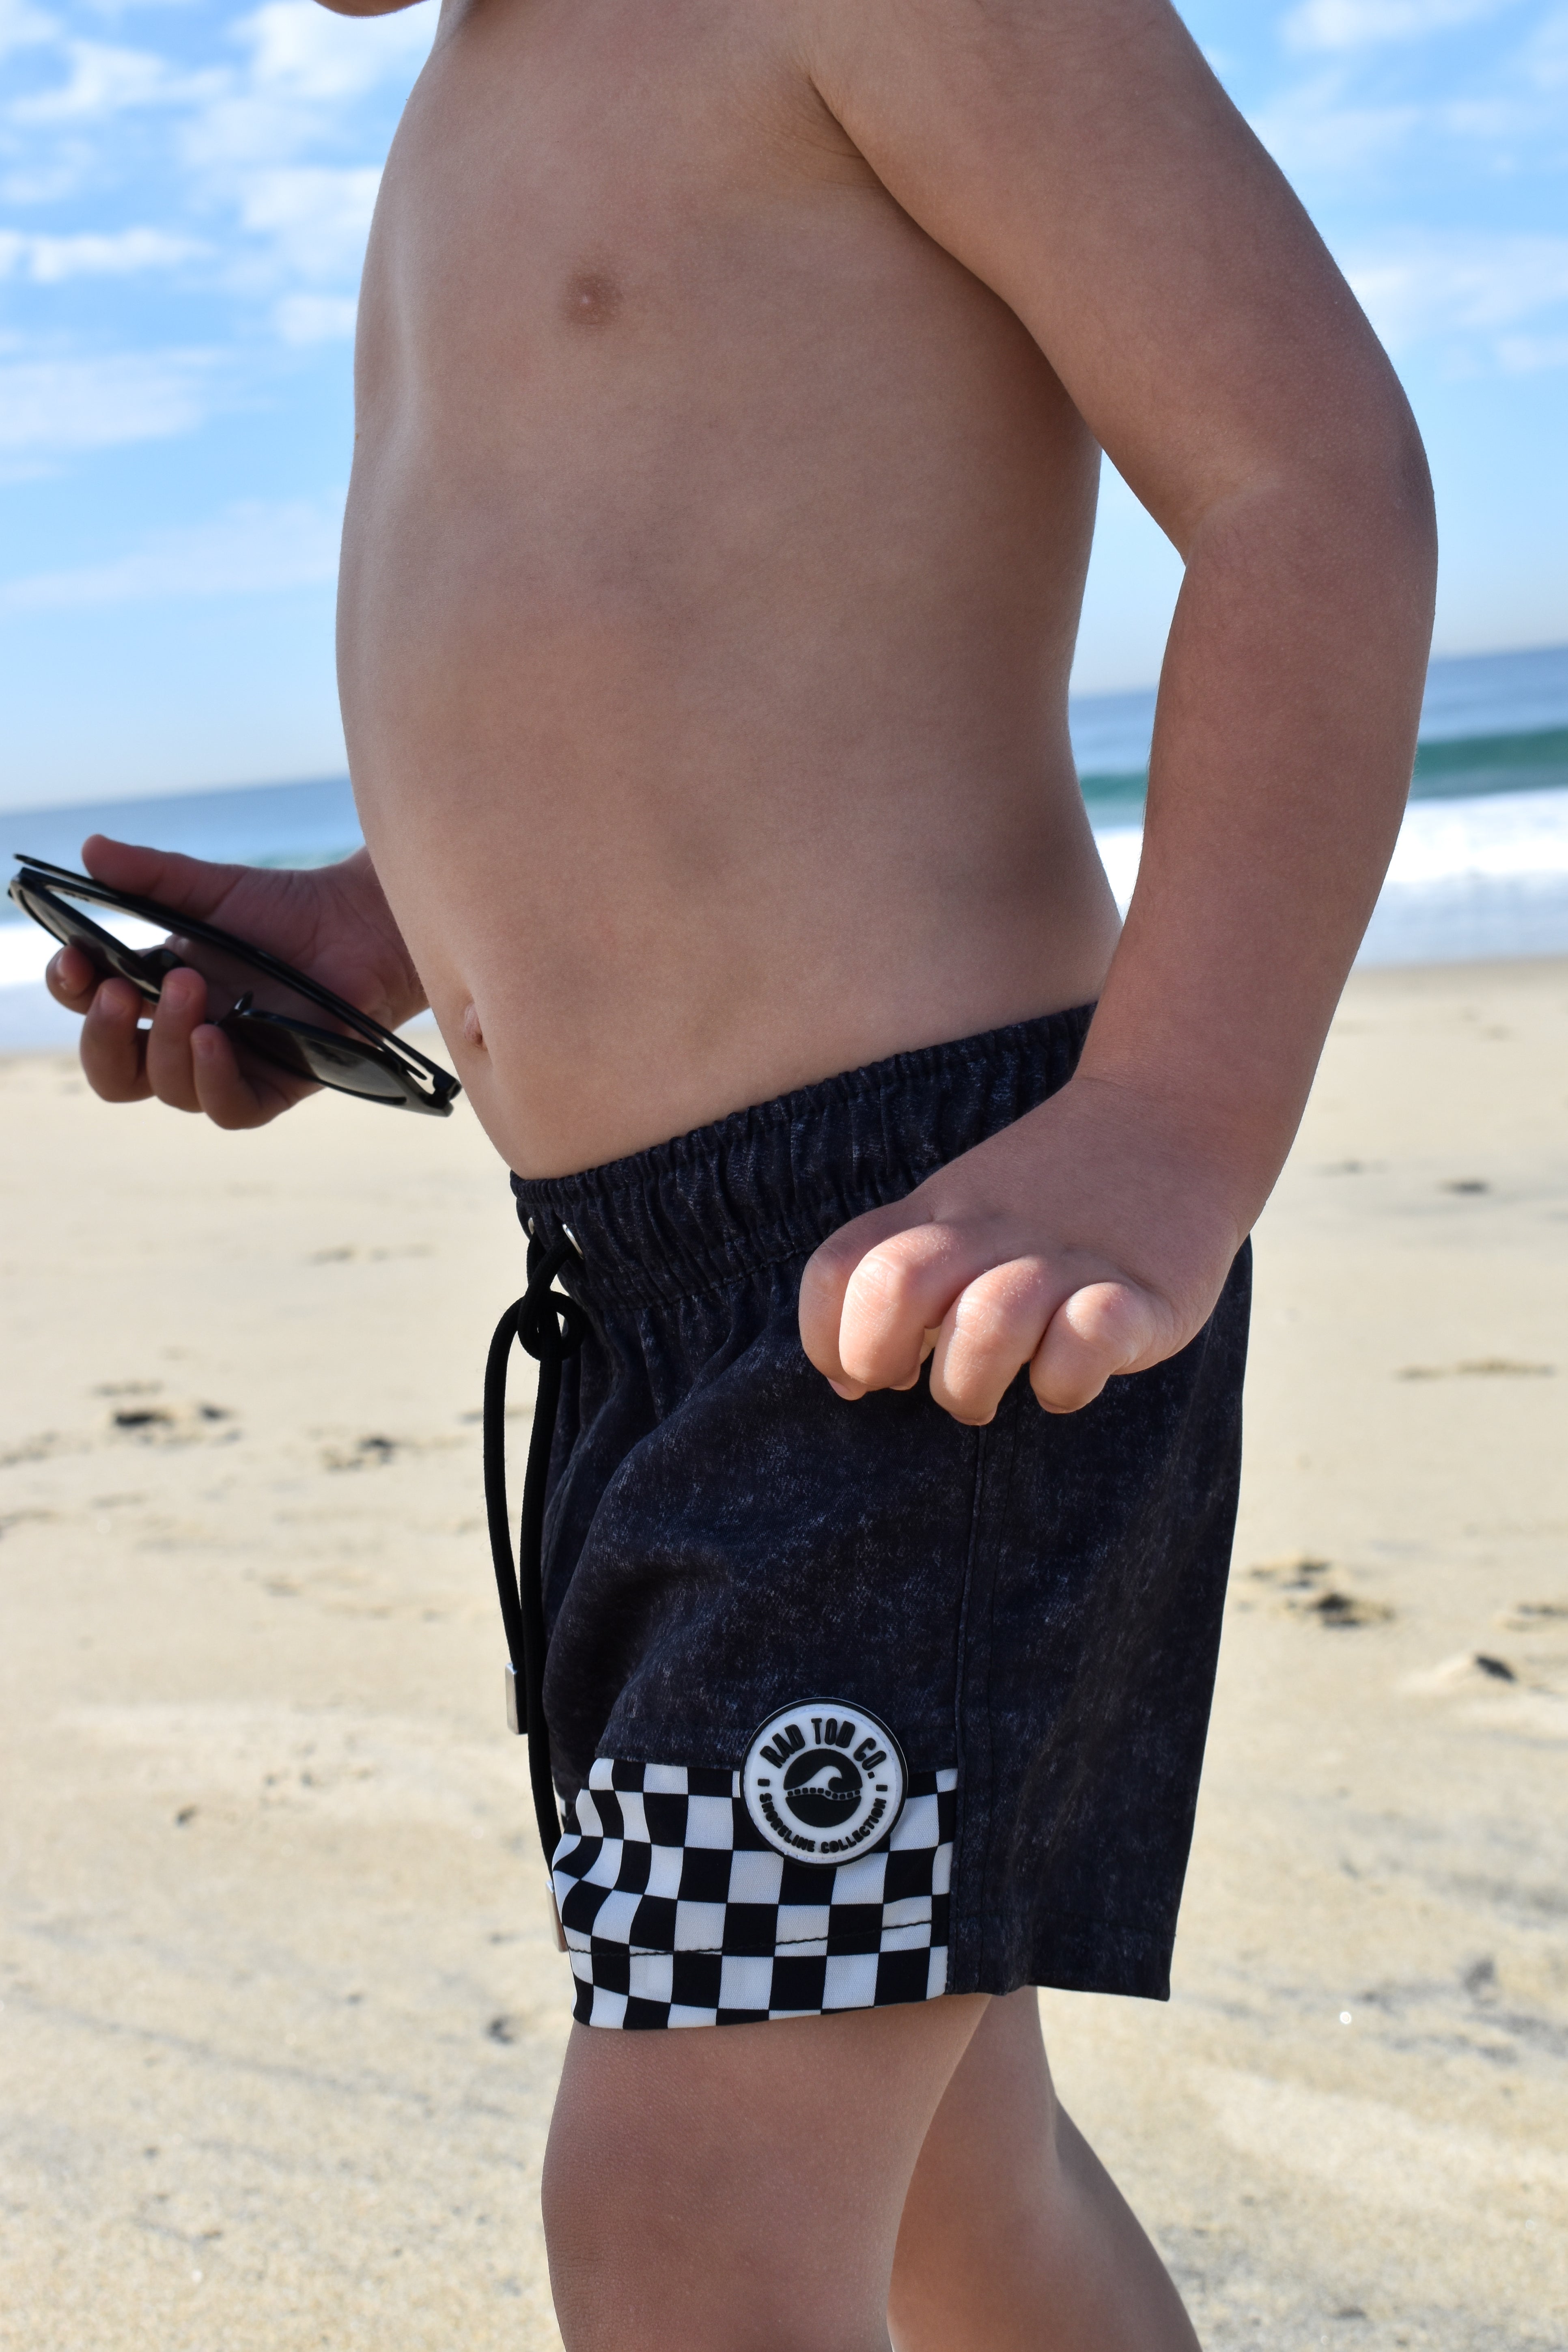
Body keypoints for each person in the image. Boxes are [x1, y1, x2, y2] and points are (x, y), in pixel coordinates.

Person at [47, 0, 1436, 2341]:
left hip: (934, 1271)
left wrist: (1168, 1119)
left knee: (689, 2211)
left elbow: (1312, 483)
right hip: (638, 1304)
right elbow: (674, 625)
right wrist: (380, 933)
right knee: (943, 2185)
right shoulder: (470, 96)